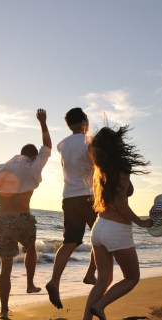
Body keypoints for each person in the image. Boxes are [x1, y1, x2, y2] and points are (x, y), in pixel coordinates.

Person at [79, 125, 152, 320]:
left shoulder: (98, 168)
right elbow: (120, 202)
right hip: (117, 230)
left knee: (103, 280)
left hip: (98, 227)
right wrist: (141, 222)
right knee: (132, 277)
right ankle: (100, 306)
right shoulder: (121, 166)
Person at [0, 108, 52, 319]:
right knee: (30, 248)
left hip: (3, 220)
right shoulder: (32, 166)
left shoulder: (0, 168)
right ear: (31, 157)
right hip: (23, 219)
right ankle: (30, 284)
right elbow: (47, 147)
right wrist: (42, 122)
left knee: (6, 267)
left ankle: (3, 310)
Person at [46, 107, 97, 309]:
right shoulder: (90, 142)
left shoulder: (63, 144)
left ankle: (54, 281)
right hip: (90, 197)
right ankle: (90, 273)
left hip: (69, 198)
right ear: (85, 121)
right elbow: (96, 167)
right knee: (100, 239)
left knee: (69, 243)